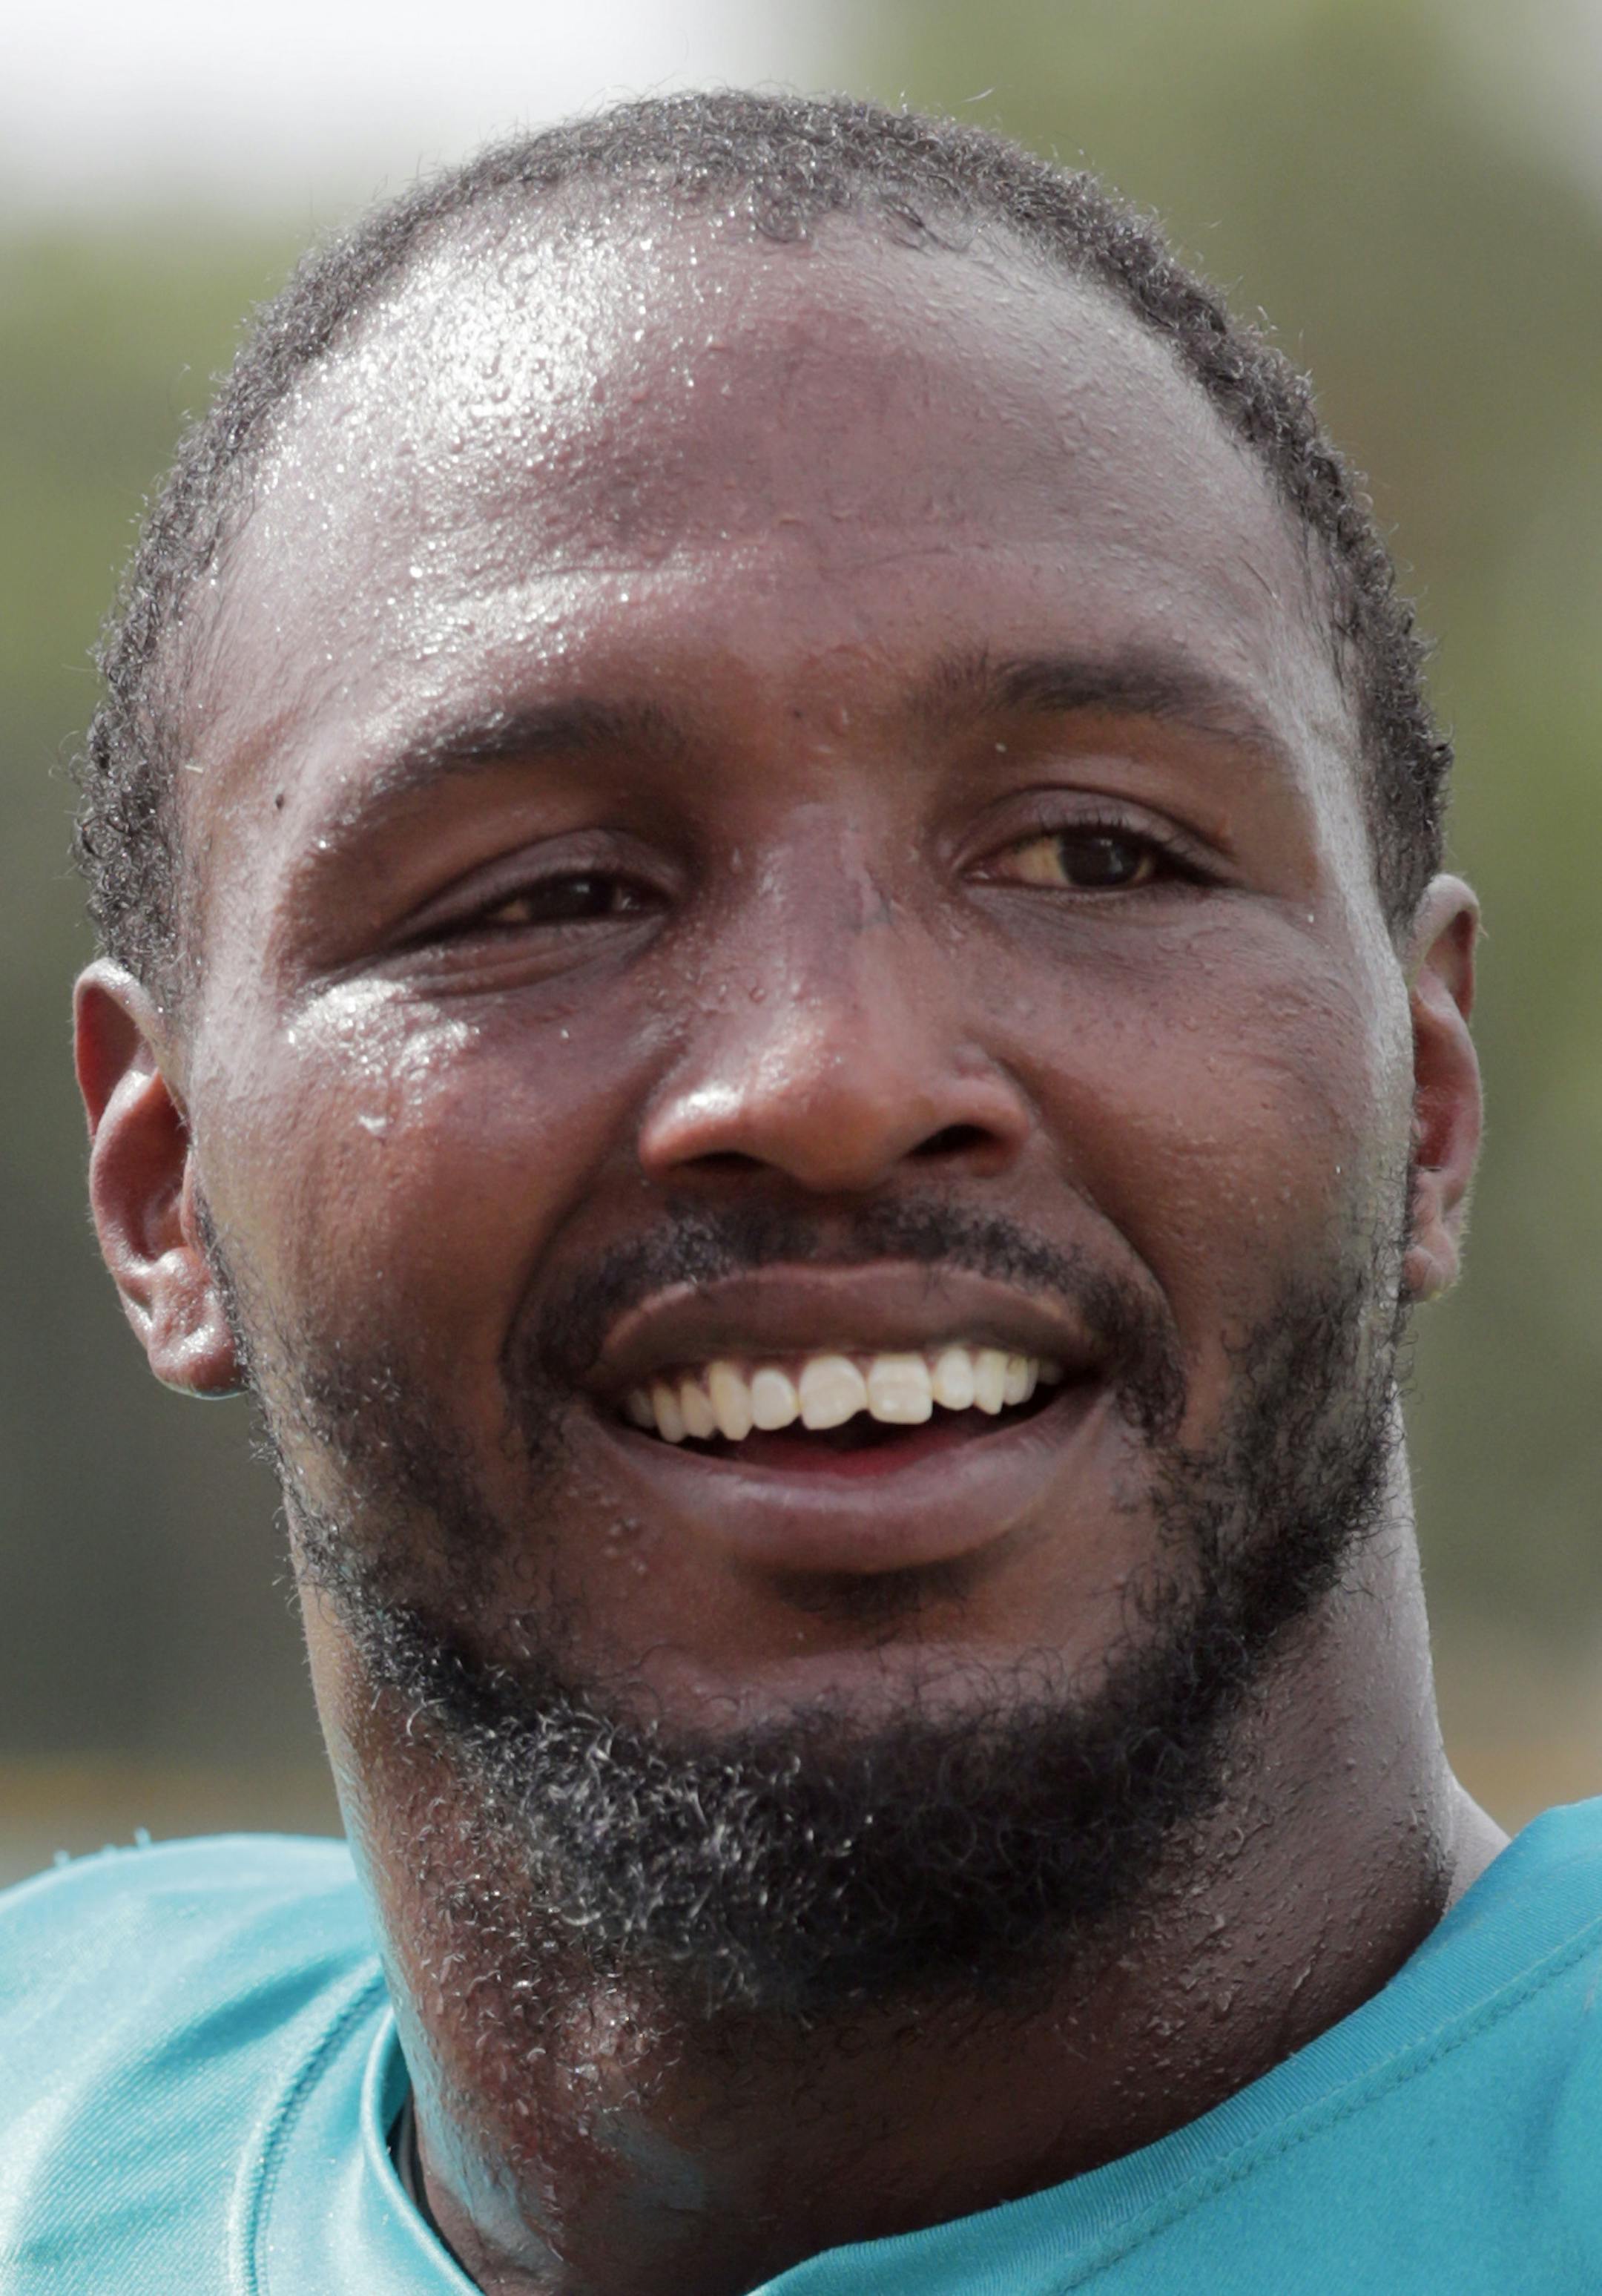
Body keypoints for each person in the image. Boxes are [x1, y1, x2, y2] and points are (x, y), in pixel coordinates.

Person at [4, 84, 1598, 2296]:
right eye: (547, 893)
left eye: (1095, 856)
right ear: (165, 1192)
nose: (834, 1077)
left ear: (1423, 1099)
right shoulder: (52, 2104)